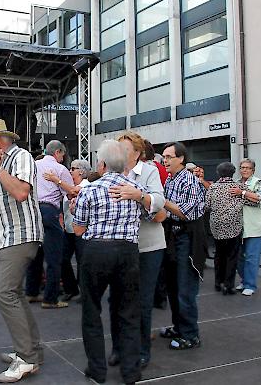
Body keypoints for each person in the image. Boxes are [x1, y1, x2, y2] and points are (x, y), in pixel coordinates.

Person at [72, 139, 153, 385]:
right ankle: (131, 372)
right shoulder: (135, 188)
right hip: (128, 252)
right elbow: (149, 213)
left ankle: (97, 369)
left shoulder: (90, 189)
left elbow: (77, 229)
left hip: (96, 251)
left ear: (103, 163)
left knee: (91, 310)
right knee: (128, 311)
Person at [0, 118, 44, 383]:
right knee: (13, 293)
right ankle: (32, 351)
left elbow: (22, 192)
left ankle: (26, 358)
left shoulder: (20, 156)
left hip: (21, 235)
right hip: (9, 237)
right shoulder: (4, 161)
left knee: (3, 293)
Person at [106, 132, 166, 370]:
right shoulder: (111, 171)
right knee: (116, 298)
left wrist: (139, 196)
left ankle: (141, 349)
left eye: (125, 150)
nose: (119, 153)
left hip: (148, 245)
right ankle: (118, 347)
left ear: (138, 153)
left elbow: (159, 202)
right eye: (117, 149)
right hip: (118, 245)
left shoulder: (149, 171)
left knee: (141, 300)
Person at [161, 142, 207, 350]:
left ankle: (191, 335)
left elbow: (184, 212)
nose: (165, 160)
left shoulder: (189, 180)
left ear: (181, 158)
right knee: (173, 285)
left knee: (185, 287)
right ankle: (179, 326)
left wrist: (158, 199)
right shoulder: (170, 180)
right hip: (172, 234)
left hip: (188, 236)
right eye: (164, 156)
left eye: (169, 156)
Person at [25, 140, 74, 308]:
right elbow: (71, 193)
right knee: (54, 256)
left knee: (35, 254)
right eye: (62, 154)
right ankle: (50, 298)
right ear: (58, 152)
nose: (63, 158)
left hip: (32, 210)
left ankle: (31, 292)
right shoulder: (60, 170)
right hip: (49, 211)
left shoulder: (33, 165)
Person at [45, 158, 92, 301]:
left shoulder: (86, 185)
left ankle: (85, 292)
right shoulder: (69, 186)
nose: (70, 171)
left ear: (82, 171)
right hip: (69, 229)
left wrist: (57, 180)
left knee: (82, 261)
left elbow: (76, 193)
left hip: (83, 229)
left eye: (73, 168)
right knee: (63, 258)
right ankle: (71, 288)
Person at [205, 162, 244, 295]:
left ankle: (218, 282)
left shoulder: (213, 187)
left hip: (217, 226)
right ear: (233, 172)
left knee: (219, 254)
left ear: (218, 173)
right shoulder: (238, 187)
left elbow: (207, 205)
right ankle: (229, 285)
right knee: (232, 256)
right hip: (234, 225)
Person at [232, 158, 261, 296]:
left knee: (252, 257)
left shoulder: (257, 182)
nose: (244, 170)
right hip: (239, 227)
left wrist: (242, 194)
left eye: (247, 168)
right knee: (239, 257)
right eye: (242, 167)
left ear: (253, 170)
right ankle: (244, 280)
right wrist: (248, 196)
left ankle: (250, 285)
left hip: (255, 227)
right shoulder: (236, 183)